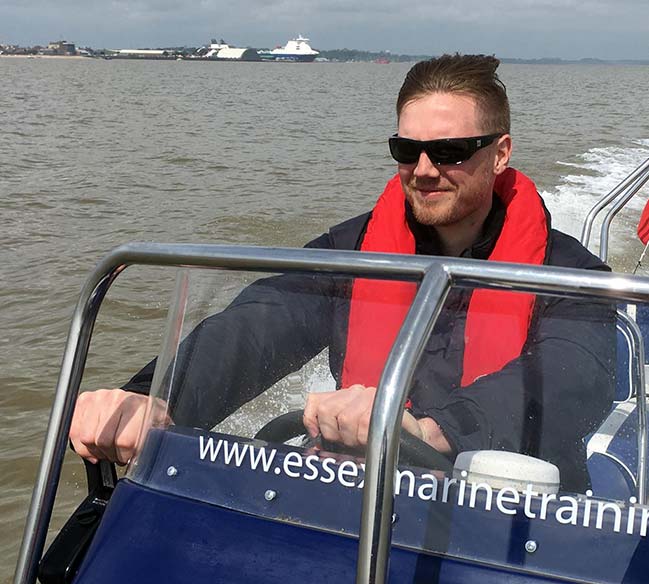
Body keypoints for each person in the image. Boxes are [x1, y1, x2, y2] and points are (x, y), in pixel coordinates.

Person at [69, 54, 615, 491]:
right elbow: (260, 322)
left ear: (500, 154)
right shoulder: (349, 251)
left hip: (511, 511)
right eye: (407, 150)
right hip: (355, 489)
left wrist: (433, 430)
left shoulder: (570, 273)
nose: (424, 171)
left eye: (448, 151)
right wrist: (154, 397)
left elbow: (576, 374)